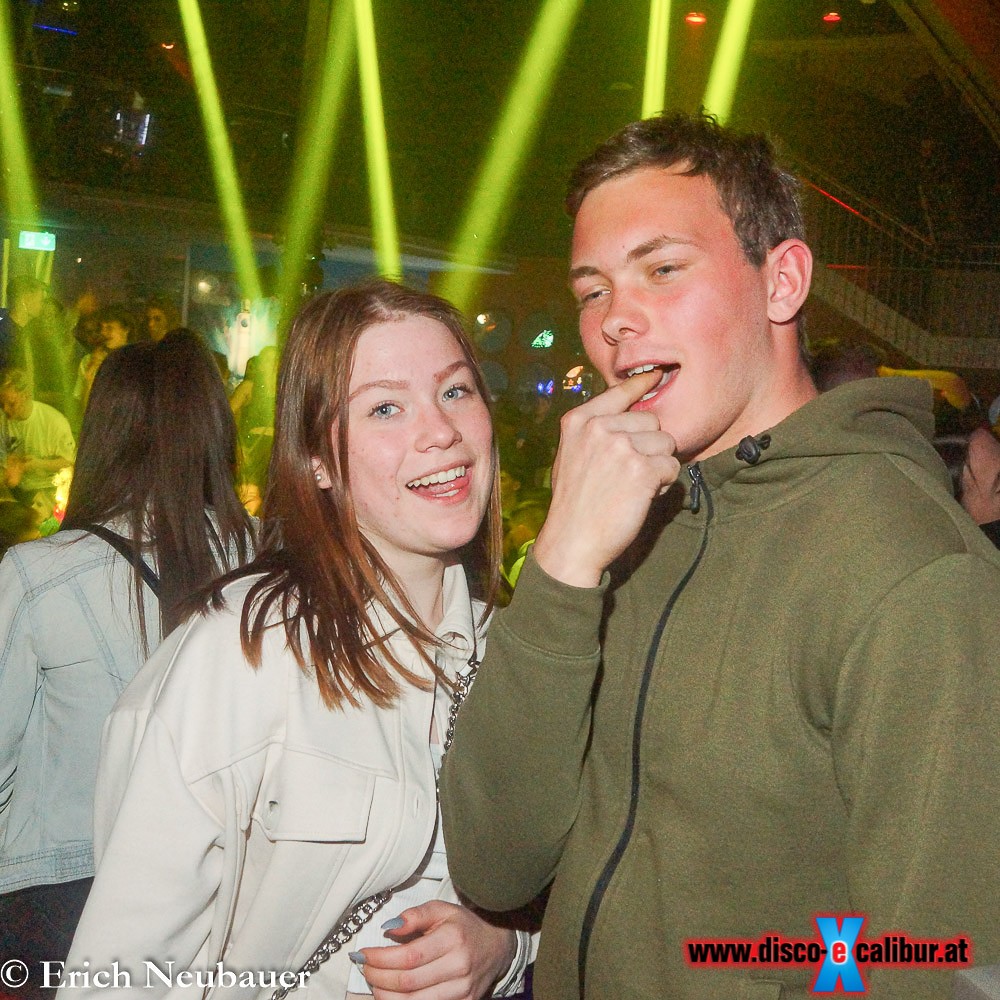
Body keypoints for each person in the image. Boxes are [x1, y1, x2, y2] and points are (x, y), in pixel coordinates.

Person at [440, 112, 1000, 1000]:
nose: (616, 321)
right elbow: (495, 862)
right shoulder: (623, 524)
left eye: (662, 269)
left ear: (782, 282)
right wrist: (562, 564)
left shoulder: (913, 569)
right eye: (592, 291)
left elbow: (944, 963)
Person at [59, 281, 531, 999]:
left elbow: (574, 877)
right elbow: (117, 972)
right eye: (385, 407)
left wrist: (503, 944)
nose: (440, 431)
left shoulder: (518, 653)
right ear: (317, 459)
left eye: (456, 391)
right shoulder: (240, 653)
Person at [0, 332, 254, 992]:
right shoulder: (266, 565)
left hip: (66, 893)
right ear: (214, 431)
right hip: (228, 892)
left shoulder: (36, 575)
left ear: (102, 435)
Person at [0, 367, 76, 502]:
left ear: (26, 396)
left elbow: (69, 462)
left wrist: (38, 464)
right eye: (1, 404)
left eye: (11, 404)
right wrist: (8, 472)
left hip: (50, 489)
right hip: (20, 490)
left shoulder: (55, 422)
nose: (5, 409)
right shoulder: (2, 420)